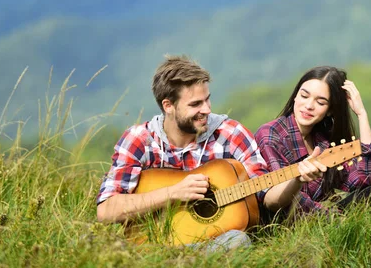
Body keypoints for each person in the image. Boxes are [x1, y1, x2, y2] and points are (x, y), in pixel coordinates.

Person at [96, 55, 323, 250]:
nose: (206, 109)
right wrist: (172, 194)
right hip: (152, 246)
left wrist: (296, 178)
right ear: (168, 106)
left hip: (215, 245)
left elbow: (267, 197)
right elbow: (106, 211)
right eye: (195, 104)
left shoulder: (231, 133)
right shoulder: (139, 140)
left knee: (238, 241)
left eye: (207, 99)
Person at [255, 66, 371, 220]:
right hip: (292, 223)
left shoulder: (323, 137)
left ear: (330, 110)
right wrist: (336, 218)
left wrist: (361, 114)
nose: (309, 106)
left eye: (321, 102)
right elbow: (284, 202)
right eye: (304, 96)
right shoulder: (271, 135)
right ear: (295, 96)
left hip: (324, 218)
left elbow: (369, 176)